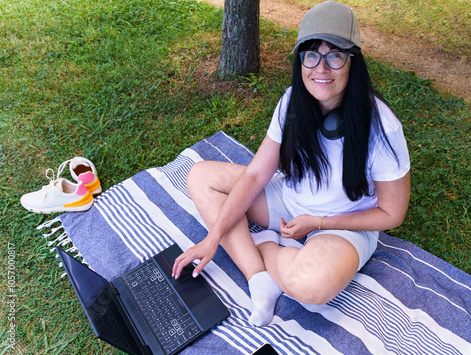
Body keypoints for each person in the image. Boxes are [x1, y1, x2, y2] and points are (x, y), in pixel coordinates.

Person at [172, 0, 411, 327]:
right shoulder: (291, 102)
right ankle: (259, 278)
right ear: (300, 60)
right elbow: (257, 174)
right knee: (201, 176)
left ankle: (268, 246)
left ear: (353, 62)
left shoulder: (382, 127)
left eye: (335, 56)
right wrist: (213, 237)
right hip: (287, 203)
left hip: (343, 224)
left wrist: (319, 223)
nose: (321, 68)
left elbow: (392, 214)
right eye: (311, 55)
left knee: (311, 286)